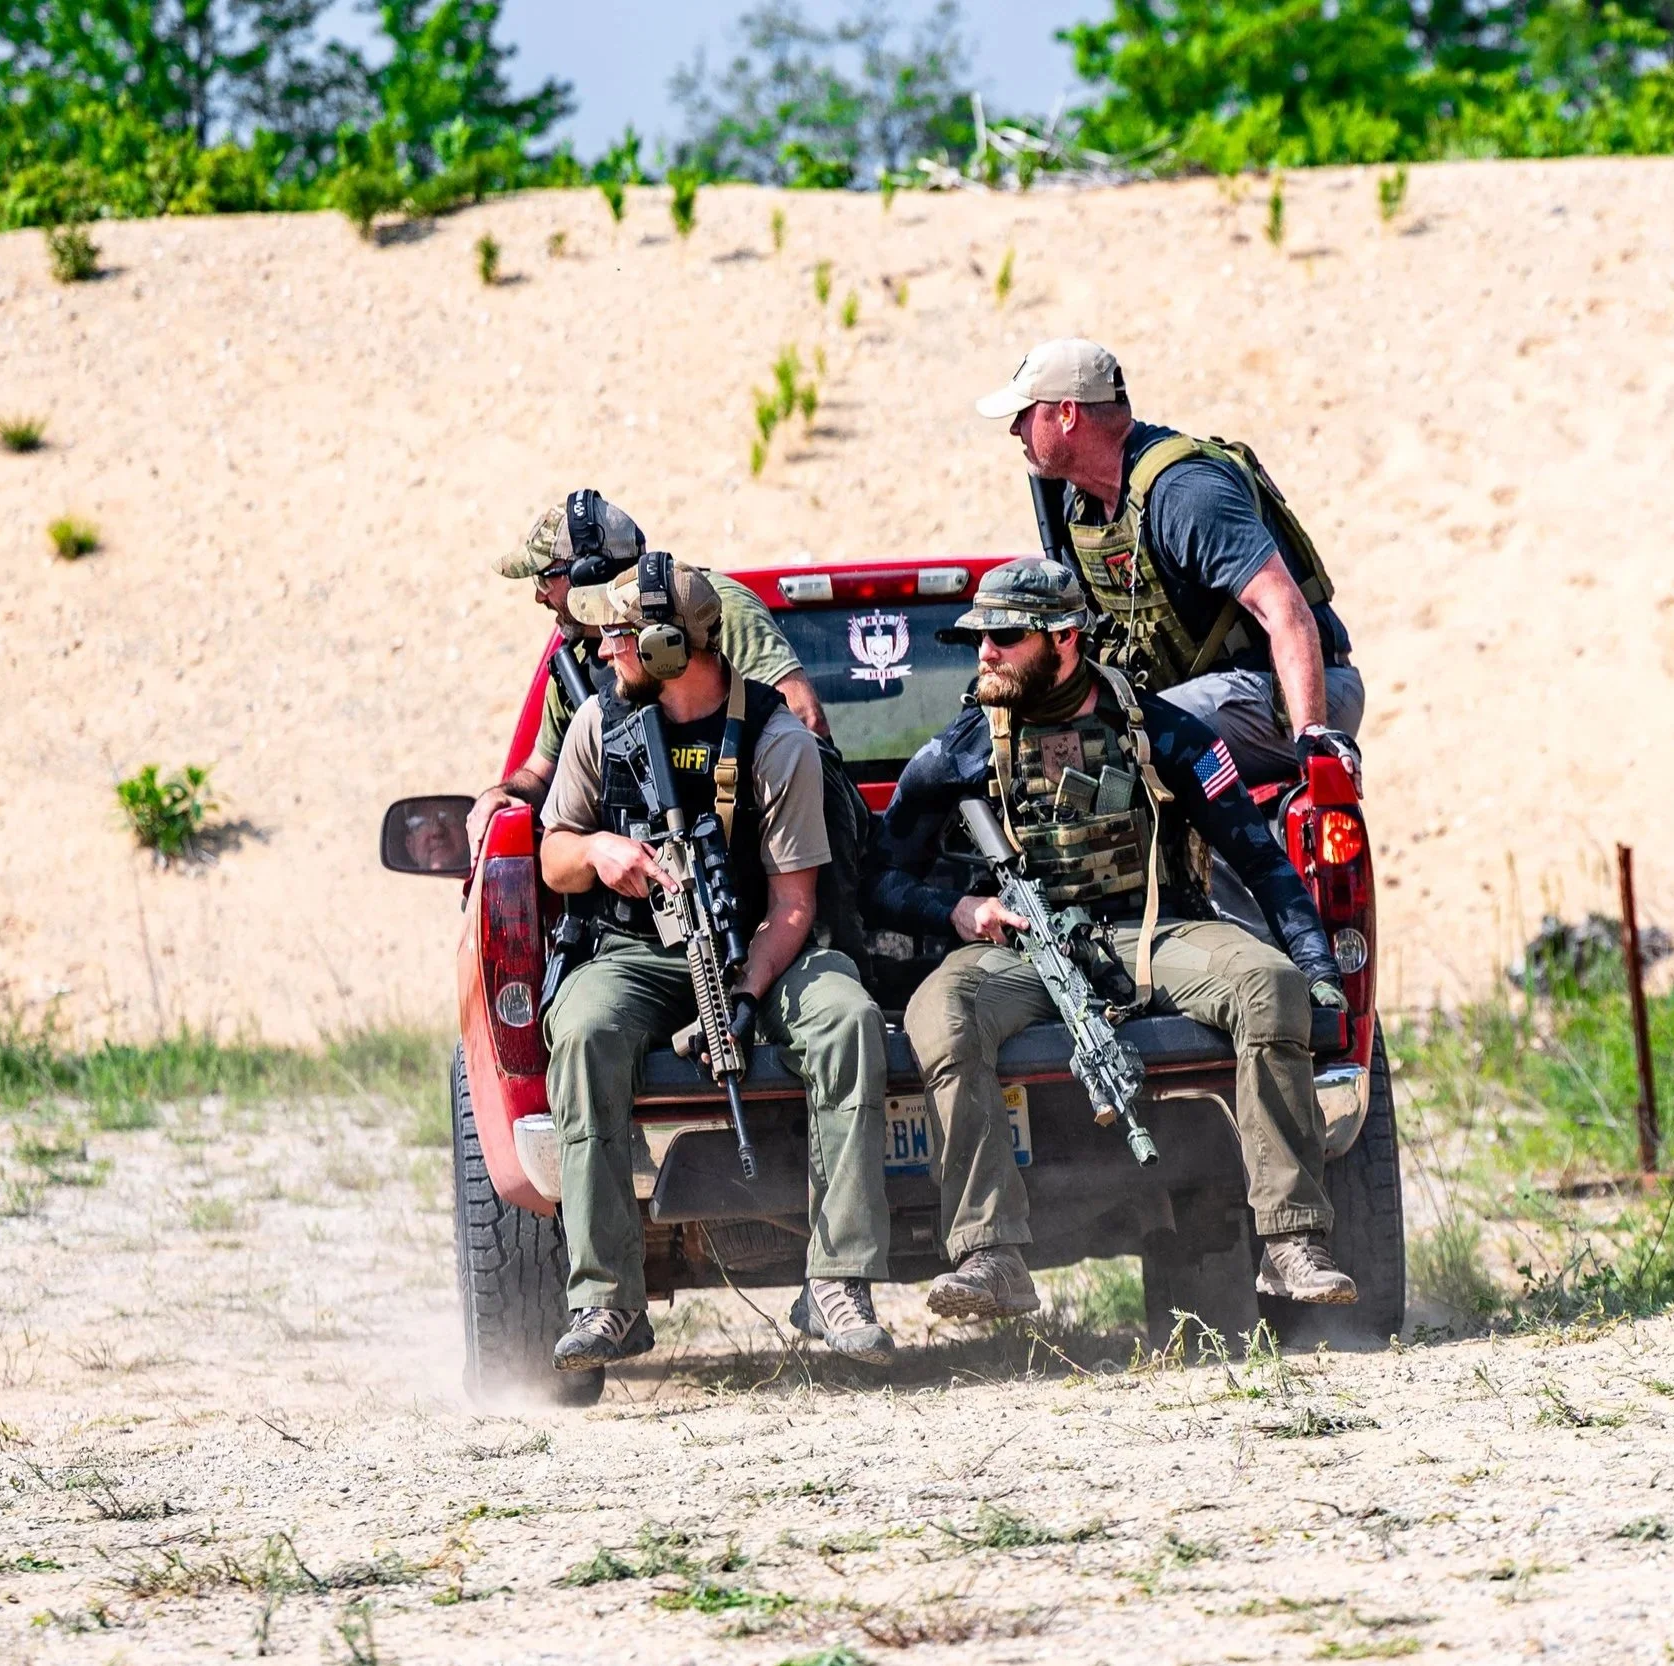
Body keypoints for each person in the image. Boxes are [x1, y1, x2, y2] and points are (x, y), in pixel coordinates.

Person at [865, 557, 1357, 1320]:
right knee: (941, 1012)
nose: (983, 655)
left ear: (1064, 639)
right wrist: (962, 914)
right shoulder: (963, 746)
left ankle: (1292, 1241)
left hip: (1156, 933)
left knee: (1269, 985)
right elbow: (881, 880)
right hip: (1024, 950)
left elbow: (1259, 858)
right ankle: (990, 1253)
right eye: (978, 640)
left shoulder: (1162, 732)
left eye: (1004, 639)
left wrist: (1316, 965)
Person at [536, 555, 894, 1369]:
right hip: (635, 952)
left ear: (670, 643)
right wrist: (599, 851)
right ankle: (607, 1301)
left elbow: (795, 904)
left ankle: (839, 1281)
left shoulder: (775, 739)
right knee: (586, 1030)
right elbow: (554, 857)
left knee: (848, 1019)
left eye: (620, 635)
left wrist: (742, 990)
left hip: (760, 944)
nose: (601, 649)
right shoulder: (599, 725)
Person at [976, 339, 1363, 788]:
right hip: (1207, 704)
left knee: (1127, 739)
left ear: (1066, 415)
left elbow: (1283, 608)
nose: (1014, 430)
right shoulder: (1080, 506)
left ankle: (1239, 834)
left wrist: (1312, 733)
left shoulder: (1184, 493)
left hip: (1291, 693)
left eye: (1024, 414)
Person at [470, 490, 830, 842]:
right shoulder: (577, 661)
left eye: (546, 578)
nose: (539, 595)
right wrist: (507, 796)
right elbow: (542, 773)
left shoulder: (706, 612)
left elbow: (804, 721)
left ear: (589, 573)